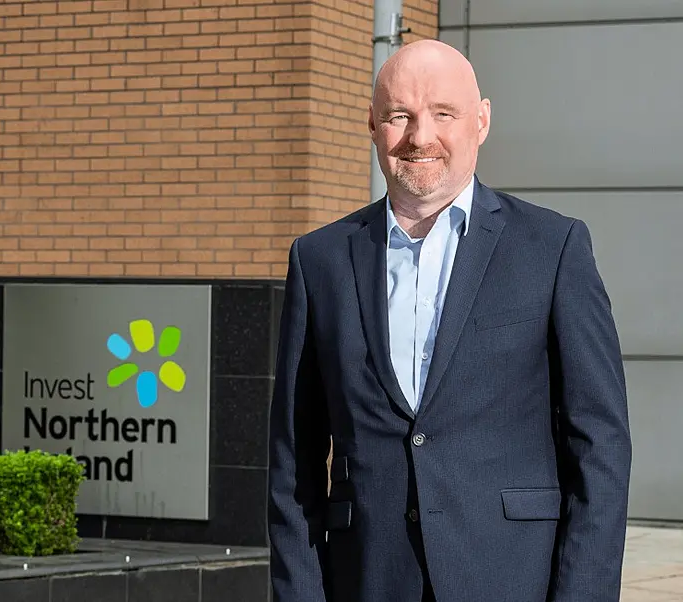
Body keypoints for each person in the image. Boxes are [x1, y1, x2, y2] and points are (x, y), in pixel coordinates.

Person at [267, 39, 631, 602]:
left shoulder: (553, 248)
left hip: (512, 580)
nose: (420, 136)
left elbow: (600, 445)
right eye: (399, 116)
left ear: (481, 121)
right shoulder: (319, 260)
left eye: (444, 113)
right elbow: (294, 457)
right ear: (371, 124)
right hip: (367, 579)